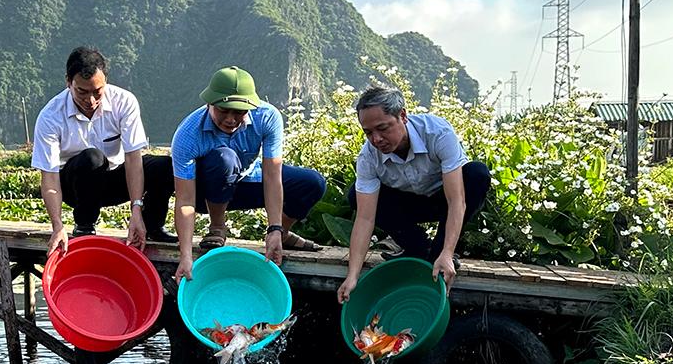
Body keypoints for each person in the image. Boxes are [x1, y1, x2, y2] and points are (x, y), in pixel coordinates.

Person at [171, 66, 327, 282]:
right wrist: (185, 256)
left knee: (312, 182)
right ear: (210, 104)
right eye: (223, 111)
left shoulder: (267, 116)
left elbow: (273, 175)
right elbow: (185, 200)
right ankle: (217, 226)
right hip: (207, 192)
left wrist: (274, 228)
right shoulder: (189, 133)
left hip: (247, 180)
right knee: (224, 158)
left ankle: (282, 234)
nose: (230, 119)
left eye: (239, 112)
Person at [337, 86, 490, 302]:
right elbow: (365, 218)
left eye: (383, 128)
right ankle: (416, 247)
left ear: (403, 116)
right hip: (407, 204)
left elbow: (456, 201)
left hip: (443, 199)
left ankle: (438, 253)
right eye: (368, 132)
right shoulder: (368, 157)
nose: (376, 139)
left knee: (477, 174)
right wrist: (352, 276)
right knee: (356, 195)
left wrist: (446, 253)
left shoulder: (437, 133)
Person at [31, 46, 176, 254]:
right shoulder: (50, 115)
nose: (90, 100)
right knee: (92, 158)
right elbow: (50, 177)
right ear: (68, 83)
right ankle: (84, 225)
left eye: (97, 91)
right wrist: (57, 226)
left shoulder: (124, 102)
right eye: (82, 92)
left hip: (114, 179)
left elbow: (133, 158)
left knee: (164, 166)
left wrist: (136, 209)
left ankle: (152, 224)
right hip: (76, 186)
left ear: (105, 81)